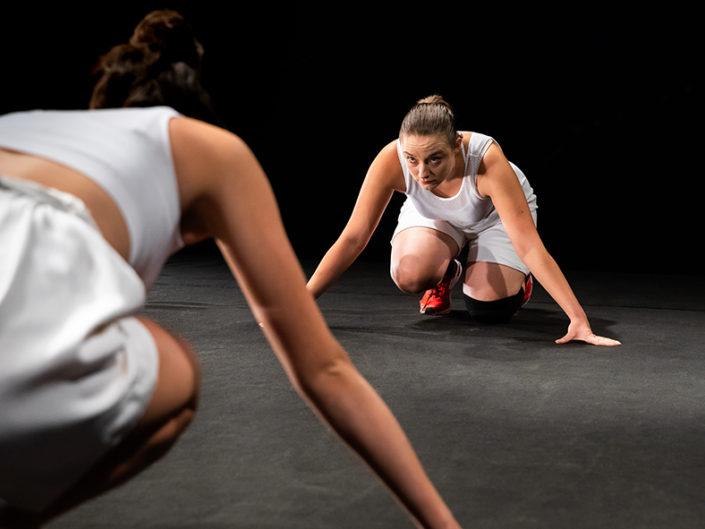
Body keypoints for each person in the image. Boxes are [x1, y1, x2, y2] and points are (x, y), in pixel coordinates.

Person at [0, 11, 463, 529]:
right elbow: (324, 370)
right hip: (22, 306)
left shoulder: (29, 123)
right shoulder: (209, 149)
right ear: (191, 115)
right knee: (176, 373)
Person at [307, 95, 620, 347]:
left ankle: (519, 283)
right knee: (409, 275)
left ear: (456, 146)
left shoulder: (487, 160)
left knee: (488, 309)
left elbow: (529, 246)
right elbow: (354, 237)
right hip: (436, 216)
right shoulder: (392, 158)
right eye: (412, 160)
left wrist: (577, 318)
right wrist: (303, 302)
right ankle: (448, 271)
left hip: (493, 218)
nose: (421, 173)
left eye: (434, 159)